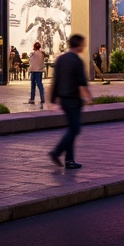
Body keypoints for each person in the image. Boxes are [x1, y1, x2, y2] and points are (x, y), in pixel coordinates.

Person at [49, 34, 91, 171]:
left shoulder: (61, 59)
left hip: (63, 99)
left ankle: (70, 160)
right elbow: (81, 83)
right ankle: (56, 152)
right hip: (73, 99)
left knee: (72, 129)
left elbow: (55, 80)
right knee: (75, 129)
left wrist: (53, 99)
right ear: (78, 45)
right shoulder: (76, 61)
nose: (84, 46)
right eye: (83, 43)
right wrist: (89, 98)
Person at [27, 42, 46, 106]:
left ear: (34, 47)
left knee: (33, 85)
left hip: (33, 71)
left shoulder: (33, 54)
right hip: (39, 71)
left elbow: (31, 63)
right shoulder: (42, 54)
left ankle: (32, 98)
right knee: (40, 84)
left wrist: (29, 70)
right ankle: (42, 98)